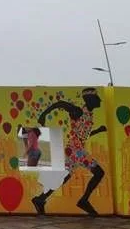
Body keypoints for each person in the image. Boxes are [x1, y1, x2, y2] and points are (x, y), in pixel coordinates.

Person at [31, 88, 107, 216]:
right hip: (76, 150)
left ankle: (40, 199)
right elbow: (61, 104)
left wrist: (98, 130)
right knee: (99, 172)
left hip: (74, 149)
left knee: (64, 177)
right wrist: (43, 114)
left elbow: (83, 135)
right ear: (90, 100)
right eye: (96, 98)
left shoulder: (88, 114)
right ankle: (84, 200)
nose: (99, 100)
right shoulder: (78, 111)